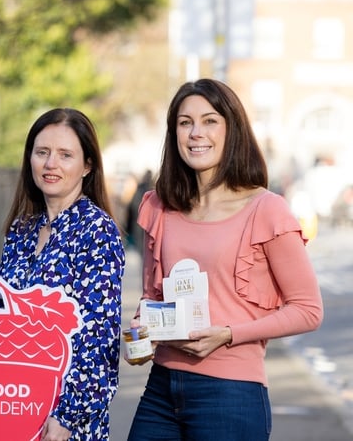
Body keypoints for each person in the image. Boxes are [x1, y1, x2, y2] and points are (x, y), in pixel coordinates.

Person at [126, 78, 323, 440]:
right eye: (185, 123)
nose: (196, 132)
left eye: (210, 120)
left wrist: (229, 335)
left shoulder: (266, 209)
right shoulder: (158, 205)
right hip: (161, 390)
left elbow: (308, 309)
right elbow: (153, 296)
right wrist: (144, 328)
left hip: (231, 393)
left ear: (232, 129)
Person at [0, 108, 125, 440]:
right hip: (11, 406)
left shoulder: (96, 230)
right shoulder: (21, 230)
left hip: (63, 421)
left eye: (65, 155)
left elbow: (99, 337)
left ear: (87, 165)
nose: (51, 164)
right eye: (42, 152)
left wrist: (67, 416)